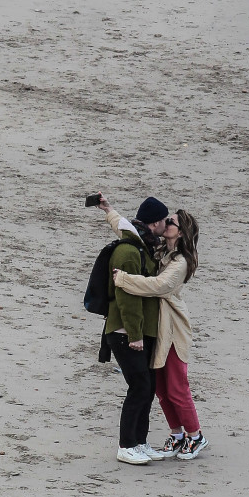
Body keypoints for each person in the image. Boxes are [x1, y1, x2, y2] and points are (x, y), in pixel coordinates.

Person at [109, 209, 207, 460]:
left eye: (170, 221)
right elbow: (128, 230)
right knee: (161, 388)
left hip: (173, 330)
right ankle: (177, 435)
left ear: (181, 231)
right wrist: (108, 210)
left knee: (176, 387)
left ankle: (195, 436)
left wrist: (123, 279)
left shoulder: (181, 261)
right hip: (158, 330)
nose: (165, 224)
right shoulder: (161, 250)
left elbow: (158, 286)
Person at [95, 195, 169, 465]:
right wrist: (135, 335)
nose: (167, 225)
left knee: (147, 387)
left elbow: (122, 224)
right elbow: (127, 298)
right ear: (156, 223)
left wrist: (108, 209)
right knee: (139, 387)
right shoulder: (129, 252)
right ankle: (126, 445)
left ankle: (140, 441)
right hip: (126, 332)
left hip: (139, 331)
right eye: (165, 221)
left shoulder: (141, 242)